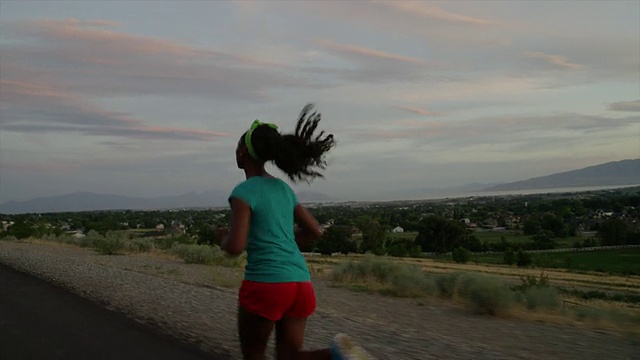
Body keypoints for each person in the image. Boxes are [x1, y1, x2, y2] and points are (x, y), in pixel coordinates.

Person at [221, 104, 372, 360]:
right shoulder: (283, 189)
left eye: (236, 148)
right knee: (291, 357)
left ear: (243, 152)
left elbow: (235, 247)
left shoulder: (243, 192)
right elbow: (314, 230)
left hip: (266, 283)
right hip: (300, 282)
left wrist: (222, 238)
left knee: (253, 354)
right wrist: (286, 239)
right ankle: (338, 355)